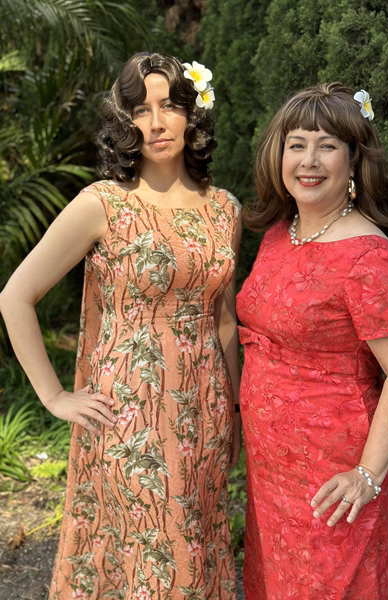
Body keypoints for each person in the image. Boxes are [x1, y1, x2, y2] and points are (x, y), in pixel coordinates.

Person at [0, 52, 241, 599]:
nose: (156, 123)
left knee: (197, 551)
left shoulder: (223, 207)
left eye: (169, 106)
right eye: (140, 110)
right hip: (131, 418)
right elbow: (15, 295)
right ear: (125, 122)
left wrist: (234, 411)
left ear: (192, 114)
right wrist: (55, 395)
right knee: (155, 564)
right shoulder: (102, 204)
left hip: (203, 416)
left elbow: (224, 318)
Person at [236, 83, 388, 599]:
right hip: (272, 468)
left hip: (333, 475)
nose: (308, 160)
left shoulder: (370, 260)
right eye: (296, 144)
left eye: (327, 145)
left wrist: (367, 475)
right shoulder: (281, 233)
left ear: (353, 159)